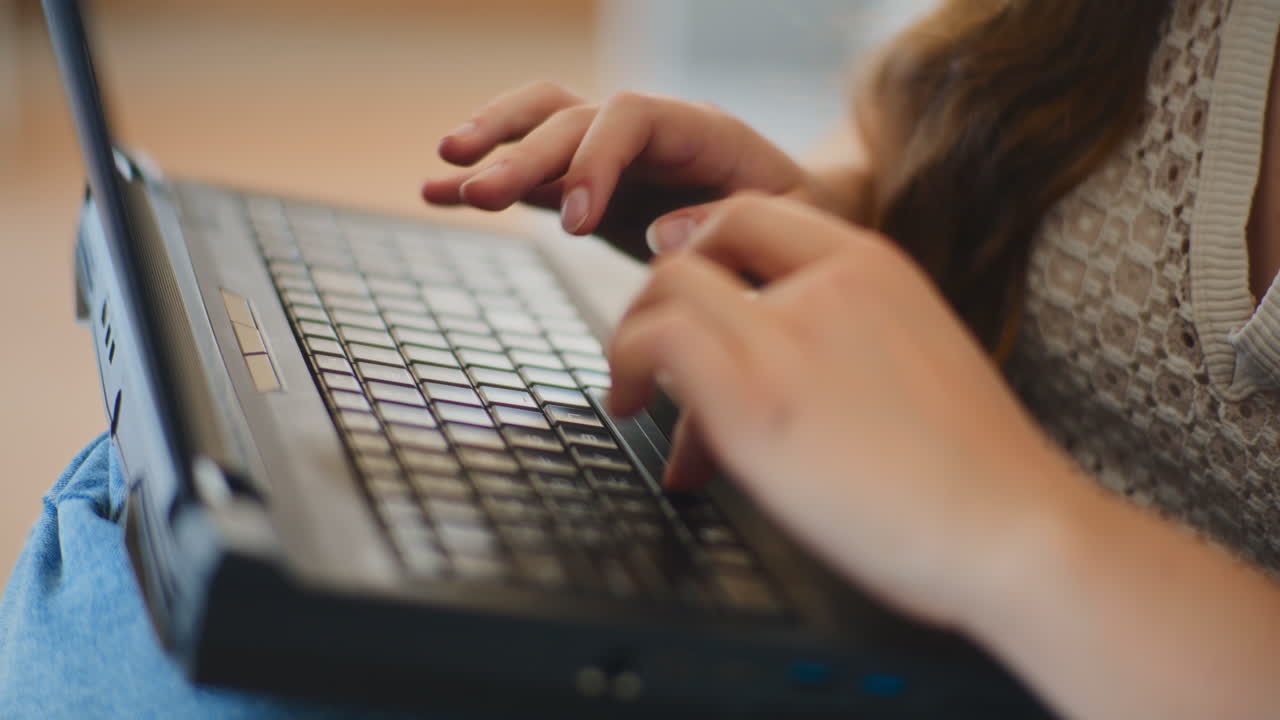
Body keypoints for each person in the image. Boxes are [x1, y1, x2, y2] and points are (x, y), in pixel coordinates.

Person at [3, 0, 1278, 718]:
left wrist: (1005, 524)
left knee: (185, 635)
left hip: (1065, 640)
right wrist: (843, 234)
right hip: (911, 557)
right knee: (180, 515)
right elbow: (1108, 288)